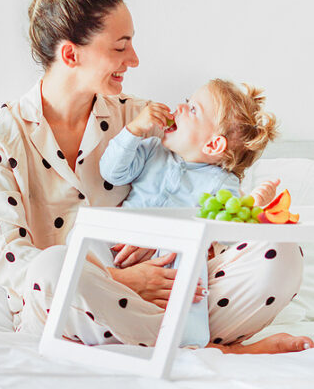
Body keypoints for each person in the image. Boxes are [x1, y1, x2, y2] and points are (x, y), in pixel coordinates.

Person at [0, 0, 313, 353]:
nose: (133, 60)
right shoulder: (0, 138)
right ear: (71, 54)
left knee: (281, 255)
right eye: (120, 47)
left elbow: (207, 174)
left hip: (171, 289)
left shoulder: (144, 119)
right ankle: (209, 350)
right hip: (75, 306)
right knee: (51, 268)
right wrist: (116, 280)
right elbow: (5, 258)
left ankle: (165, 339)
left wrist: (175, 239)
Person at [99, 79, 280, 348]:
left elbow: (230, 235)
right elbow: (111, 172)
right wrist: (135, 129)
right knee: (84, 249)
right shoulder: (152, 150)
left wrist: (251, 207)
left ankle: (186, 339)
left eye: (193, 109)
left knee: (188, 262)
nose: (180, 107)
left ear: (213, 145)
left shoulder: (221, 184)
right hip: (119, 247)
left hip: (169, 260)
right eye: (186, 100)